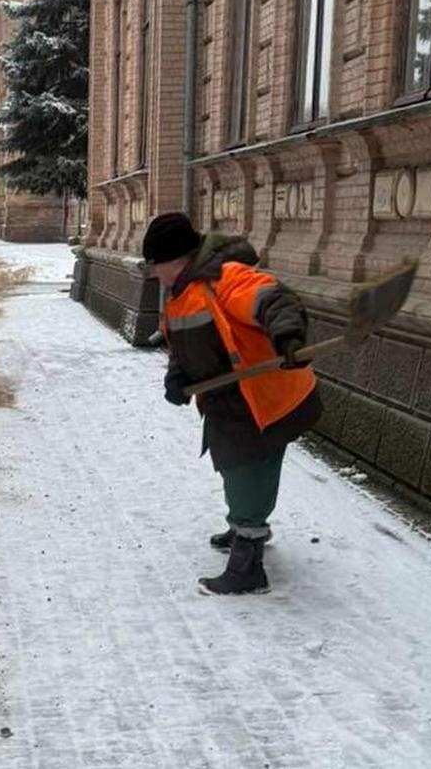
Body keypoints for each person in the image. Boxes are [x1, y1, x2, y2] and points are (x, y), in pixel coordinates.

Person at [144, 212, 322, 595]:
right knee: (231, 464)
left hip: (262, 395)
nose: (154, 274)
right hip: (228, 397)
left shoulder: (225, 279)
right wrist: (177, 377)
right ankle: (244, 524)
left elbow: (273, 299)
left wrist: (288, 336)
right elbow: (181, 343)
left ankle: (248, 562)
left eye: (156, 265)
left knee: (248, 468)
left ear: (176, 261)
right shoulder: (180, 295)